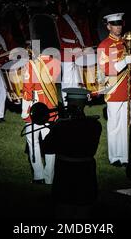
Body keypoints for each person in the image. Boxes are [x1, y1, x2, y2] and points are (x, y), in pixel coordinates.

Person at [43, 88, 102, 218]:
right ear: (84, 104)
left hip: (65, 176)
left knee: (63, 213)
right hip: (86, 176)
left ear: (69, 104)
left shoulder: (61, 126)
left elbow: (47, 148)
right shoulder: (95, 125)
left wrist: (54, 127)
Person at [21, 13, 61, 184]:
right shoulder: (55, 62)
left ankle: (38, 175)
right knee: (50, 144)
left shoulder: (31, 65)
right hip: (51, 107)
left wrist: (25, 111)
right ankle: (50, 177)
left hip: (35, 109)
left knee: (33, 143)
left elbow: (27, 92)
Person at [97, 12, 131, 167]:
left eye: (119, 24)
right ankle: (115, 157)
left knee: (127, 123)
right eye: (114, 24)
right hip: (114, 90)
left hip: (128, 90)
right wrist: (123, 62)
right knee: (114, 125)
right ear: (108, 26)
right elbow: (106, 69)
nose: (118, 27)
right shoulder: (104, 46)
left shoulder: (127, 42)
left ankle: (125, 156)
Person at [55, 0, 93, 105]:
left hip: (81, 52)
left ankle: (77, 103)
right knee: (67, 81)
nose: (73, 7)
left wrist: (88, 48)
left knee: (79, 80)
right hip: (66, 53)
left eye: (75, 4)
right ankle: (67, 105)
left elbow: (87, 36)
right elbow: (59, 40)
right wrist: (71, 50)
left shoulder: (82, 18)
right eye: (71, 4)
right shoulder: (60, 20)